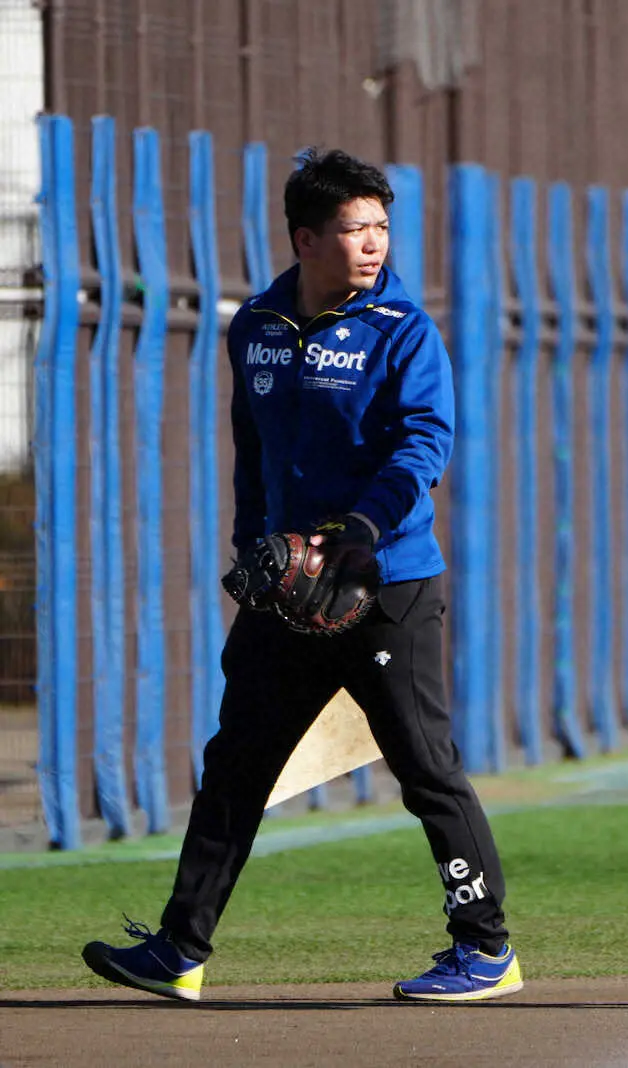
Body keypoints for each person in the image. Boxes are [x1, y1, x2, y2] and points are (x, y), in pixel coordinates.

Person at [82, 148, 521, 1003]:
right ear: (305, 237)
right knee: (237, 763)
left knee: (425, 767)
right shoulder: (256, 326)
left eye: (383, 228)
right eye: (356, 228)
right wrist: (254, 547)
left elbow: (423, 444)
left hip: (386, 583)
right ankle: (179, 949)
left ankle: (486, 948)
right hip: (290, 593)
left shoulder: (404, 330)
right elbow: (256, 455)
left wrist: (363, 527)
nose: (374, 244)